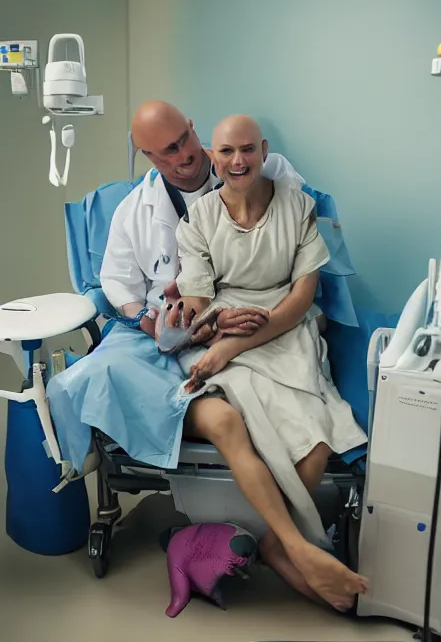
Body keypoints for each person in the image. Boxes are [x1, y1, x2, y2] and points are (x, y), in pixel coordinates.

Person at [167, 114, 369, 611]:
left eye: (247, 150)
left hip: (285, 329)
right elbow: (197, 296)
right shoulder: (197, 220)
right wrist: (205, 323)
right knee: (243, 410)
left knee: (318, 443)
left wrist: (231, 348)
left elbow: (302, 300)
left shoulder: (299, 208)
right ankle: (296, 548)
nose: (238, 161)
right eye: (227, 152)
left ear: (262, 150)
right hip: (227, 321)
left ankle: (278, 547)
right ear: (213, 157)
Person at [46, 101, 291, 476]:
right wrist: (146, 319)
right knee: (71, 384)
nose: (185, 157)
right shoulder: (133, 211)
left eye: (184, 140)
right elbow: (118, 283)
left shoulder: (249, 173)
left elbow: (293, 233)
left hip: (243, 313)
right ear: (147, 157)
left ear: (193, 127)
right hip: (167, 326)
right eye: (168, 152)